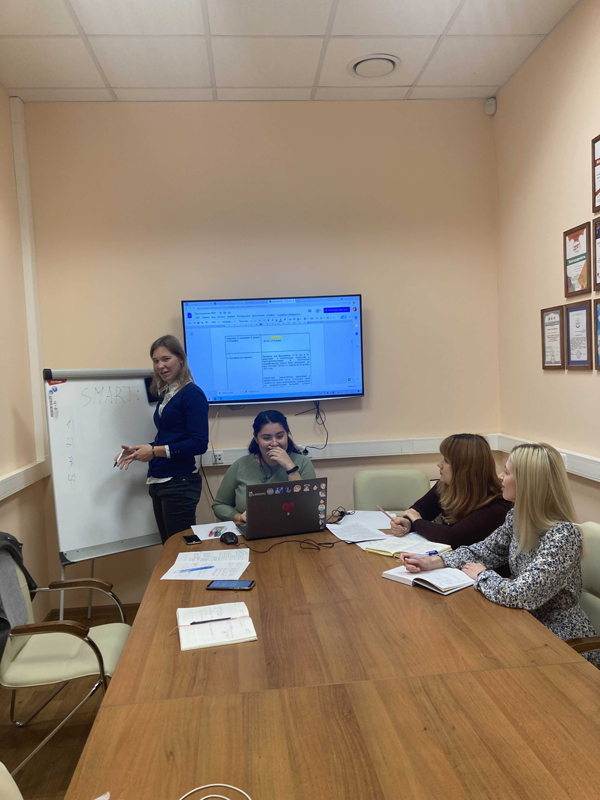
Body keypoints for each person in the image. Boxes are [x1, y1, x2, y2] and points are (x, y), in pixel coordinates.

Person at [400, 442, 600, 667]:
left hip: (560, 642)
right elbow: (485, 551)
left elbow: (521, 595)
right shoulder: (518, 517)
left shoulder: (563, 535)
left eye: (507, 472)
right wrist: (435, 561)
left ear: (528, 482)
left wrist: (482, 575)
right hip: (522, 625)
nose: (500, 477)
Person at [116, 335, 209, 543]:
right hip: (160, 480)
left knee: (180, 551)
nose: (160, 366)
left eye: (166, 359)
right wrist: (139, 450)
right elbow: (171, 438)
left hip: (179, 483)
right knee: (169, 549)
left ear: (181, 359)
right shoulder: (168, 393)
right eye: (156, 361)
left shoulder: (191, 394)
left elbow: (199, 443)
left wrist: (154, 451)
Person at [390, 433, 512, 548]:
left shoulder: (497, 505)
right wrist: (407, 523)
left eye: (446, 461)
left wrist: (417, 522)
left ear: (465, 469)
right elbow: (420, 509)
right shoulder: (446, 485)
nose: (439, 464)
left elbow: (453, 537)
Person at [212, 409, 316, 524]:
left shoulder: (303, 463)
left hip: (294, 527)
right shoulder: (240, 465)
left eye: (280, 436)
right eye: (266, 438)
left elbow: (308, 507)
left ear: (287, 434)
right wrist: (239, 517)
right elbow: (219, 505)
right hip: (251, 529)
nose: (274, 443)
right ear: (256, 438)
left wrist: (291, 468)